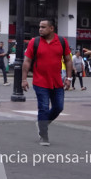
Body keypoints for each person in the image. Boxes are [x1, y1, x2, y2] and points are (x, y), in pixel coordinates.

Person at [22, 18, 71, 146]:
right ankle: (44, 136)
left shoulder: (62, 41)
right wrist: (24, 79)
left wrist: (69, 78)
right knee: (43, 108)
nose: (40, 29)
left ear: (51, 28)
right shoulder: (34, 42)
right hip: (40, 81)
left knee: (59, 107)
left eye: (43, 27)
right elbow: (27, 61)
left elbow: (68, 60)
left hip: (57, 82)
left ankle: (41, 123)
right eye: (40, 27)